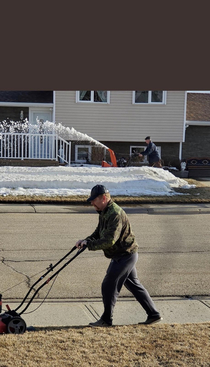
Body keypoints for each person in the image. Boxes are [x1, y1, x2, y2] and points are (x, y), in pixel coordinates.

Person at [76, 184, 162, 327]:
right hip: (121, 254)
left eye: (94, 200)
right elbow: (98, 233)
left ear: (103, 198)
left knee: (108, 284)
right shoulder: (104, 212)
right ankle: (154, 314)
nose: (91, 203)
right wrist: (85, 241)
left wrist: (89, 245)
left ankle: (106, 319)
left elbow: (110, 240)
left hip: (125, 255)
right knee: (134, 285)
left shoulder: (115, 213)